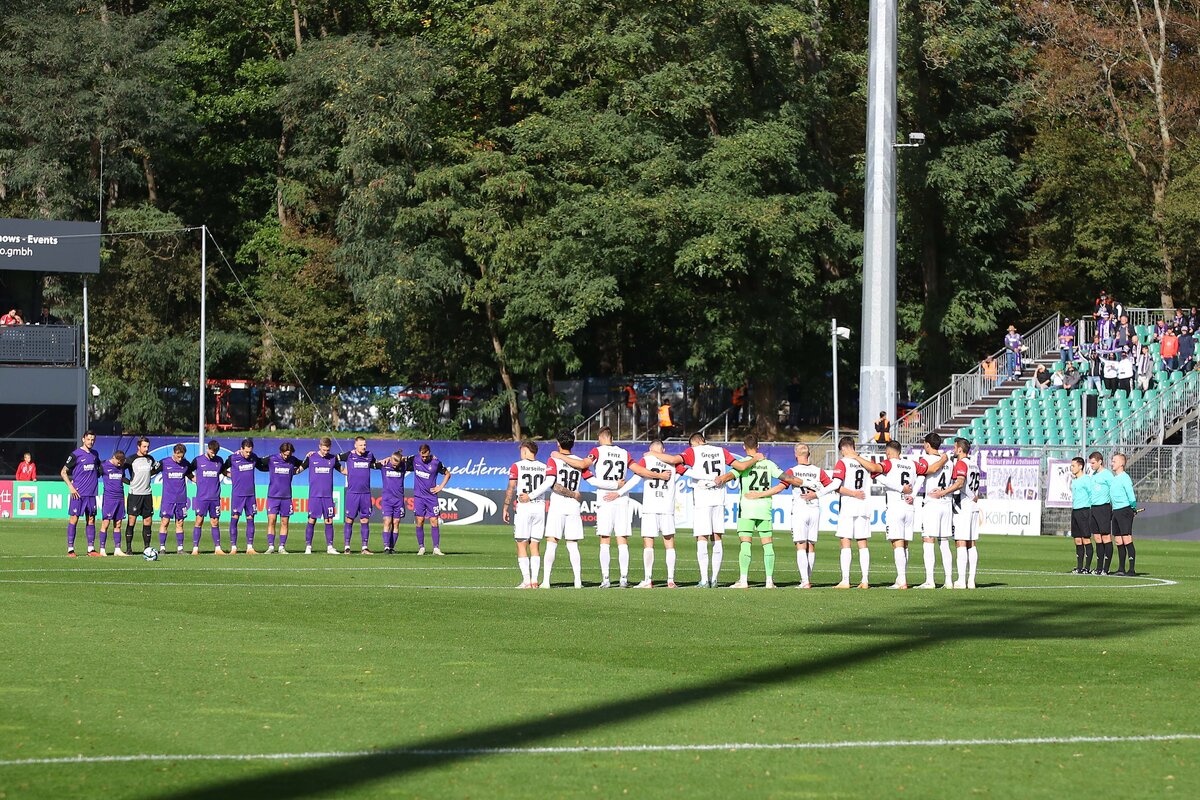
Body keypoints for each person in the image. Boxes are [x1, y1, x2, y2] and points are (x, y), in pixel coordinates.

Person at [559, 427, 665, 587]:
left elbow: (583, 464)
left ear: (600, 437)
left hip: (605, 497)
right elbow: (639, 471)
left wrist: (559, 456)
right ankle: (623, 578)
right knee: (622, 539)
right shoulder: (624, 453)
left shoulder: (597, 451)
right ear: (612, 438)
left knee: (605, 538)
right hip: (622, 498)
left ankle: (606, 579)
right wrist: (659, 475)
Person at [652, 433, 761, 587]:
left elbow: (673, 460)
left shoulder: (693, 451)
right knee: (717, 536)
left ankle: (704, 579)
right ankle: (714, 579)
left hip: (702, 498)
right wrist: (756, 458)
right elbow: (742, 467)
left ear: (694, 443)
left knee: (702, 537)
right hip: (719, 497)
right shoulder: (721, 451)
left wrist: (653, 453)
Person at [719, 435, 785, 589]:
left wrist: (720, 479)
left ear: (744, 447)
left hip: (747, 508)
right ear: (758, 446)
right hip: (765, 508)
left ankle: (743, 580)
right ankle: (769, 581)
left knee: (745, 542)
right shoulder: (768, 464)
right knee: (767, 544)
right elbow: (785, 478)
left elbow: (730, 476)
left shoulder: (743, 463)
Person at [541, 432, 596, 588]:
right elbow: (593, 481)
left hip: (558, 504)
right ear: (573, 443)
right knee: (572, 544)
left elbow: (553, 485)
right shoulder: (579, 461)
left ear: (558, 443)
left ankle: (546, 581)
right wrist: (615, 486)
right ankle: (578, 581)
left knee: (552, 542)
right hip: (573, 506)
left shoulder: (554, 459)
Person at [778, 444, 837, 589]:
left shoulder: (792, 471)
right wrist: (817, 494)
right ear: (809, 454)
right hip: (814, 510)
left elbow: (780, 486)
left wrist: (762, 494)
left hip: (800, 510)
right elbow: (831, 486)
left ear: (795, 455)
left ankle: (805, 581)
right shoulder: (818, 471)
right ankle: (807, 579)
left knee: (800, 545)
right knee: (811, 545)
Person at [628, 440, 683, 588]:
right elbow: (686, 472)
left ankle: (648, 580)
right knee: (669, 543)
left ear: (650, 449)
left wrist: (619, 492)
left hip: (650, 507)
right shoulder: (672, 462)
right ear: (663, 450)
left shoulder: (647, 460)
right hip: (667, 507)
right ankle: (670, 580)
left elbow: (636, 477)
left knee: (648, 543)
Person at [828, 436, 882, 588]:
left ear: (843, 449)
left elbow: (836, 486)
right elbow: (874, 470)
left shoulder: (843, 462)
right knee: (862, 543)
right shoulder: (864, 461)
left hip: (848, 506)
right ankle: (865, 580)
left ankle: (845, 580)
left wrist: (852, 493)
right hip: (863, 506)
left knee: (845, 541)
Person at [503, 441, 554, 588]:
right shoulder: (544, 467)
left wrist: (505, 506)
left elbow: (511, 488)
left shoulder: (517, 466)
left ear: (525, 450)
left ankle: (526, 581)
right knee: (535, 545)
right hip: (539, 507)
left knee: (521, 544)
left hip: (524, 507)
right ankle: (535, 581)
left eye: (521, 450)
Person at [876, 440, 922, 589]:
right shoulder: (912, 464)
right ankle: (901, 578)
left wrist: (900, 488)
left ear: (888, 452)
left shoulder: (888, 463)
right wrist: (913, 493)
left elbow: (876, 475)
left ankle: (902, 581)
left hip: (895, 506)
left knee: (897, 544)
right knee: (905, 544)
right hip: (909, 507)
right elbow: (923, 475)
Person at [916, 432, 953, 589]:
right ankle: (949, 581)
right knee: (944, 542)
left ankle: (930, 580)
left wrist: (912, 495)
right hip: (946, 503)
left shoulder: (926, 459)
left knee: (928, 540)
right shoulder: (949, 462)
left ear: (927, 445)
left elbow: (923, 475)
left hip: (932, 504)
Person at [945, 438, 981, 589]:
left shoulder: (961, 463)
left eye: (955, 447)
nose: (953, 450)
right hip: (973, 507)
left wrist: (943, 492)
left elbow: (960, 483)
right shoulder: (975, 464)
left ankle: (961, 580)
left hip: (963, 506)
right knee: (971, 543)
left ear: (960, 449)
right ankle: (971, 580)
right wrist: (974, 496)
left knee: (960, 542)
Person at [60, 431, 100, 557]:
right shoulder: (75, 454)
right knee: (74, 519)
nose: (91, 442)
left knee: (91, 519)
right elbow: (63, 472)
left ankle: (91, 549)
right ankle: (70, 549)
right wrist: (71, 487)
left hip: (91, 493)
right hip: (78, 493)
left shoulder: (95, 454)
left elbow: (98, 469)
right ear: (83, 439)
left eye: (93, 440)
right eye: (88, 439)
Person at [300, 438, 341, 555]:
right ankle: (308, 546)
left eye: (328, 450)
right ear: (319, 446)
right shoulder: (311, 457)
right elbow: (299, 470)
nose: (326, 452)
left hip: (327, 496)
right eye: (324, 450)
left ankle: (330, 547)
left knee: (329, 520)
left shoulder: (332, 458)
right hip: (314, 495)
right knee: (312, 519)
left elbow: (343, 470)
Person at [407, 444, 450, 555]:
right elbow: (399, 459)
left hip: (431, 497)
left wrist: (440, 487)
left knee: (434, 521)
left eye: (426, 456)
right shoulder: (414, 459)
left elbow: (447, 474)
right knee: (419, 521)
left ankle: (436, 548)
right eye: (422, 456)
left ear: (429, 453)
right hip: (419, 497)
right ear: (419, 453)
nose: (424, 458)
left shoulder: (436, 463)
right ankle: (421, 547)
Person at [261, 442, 303, 553]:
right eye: (285, 454)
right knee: (272, 520)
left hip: (286, 497)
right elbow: (257, 462)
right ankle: (271, 546)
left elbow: (305, 463)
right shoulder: (271, 459)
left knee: (284, 522)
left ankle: (281, 547)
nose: (286, 457)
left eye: (288, 455)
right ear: (281, 452)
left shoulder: (292, 460)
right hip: (273, 496)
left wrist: (310, 456)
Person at [223, 438, 260, 554]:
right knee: (235, 519)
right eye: (246, 451)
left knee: (250, 518)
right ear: (241, 449)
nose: (248, 454)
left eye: (250, 452)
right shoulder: (233, 458)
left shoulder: (254, 457)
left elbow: (263, 466)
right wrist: (231, 475)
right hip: (238, 494)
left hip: (250, 494)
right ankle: (233, 547)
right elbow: (221, 469)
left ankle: (250, 547)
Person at [340, 436, 376, 554]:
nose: (363, 447)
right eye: (361, 445)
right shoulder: (349, 455)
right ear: (355, 445)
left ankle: (364, 547)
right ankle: (347, 547)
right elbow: (332, 459)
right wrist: (343, 470)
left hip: (365, 494)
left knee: (365, 520)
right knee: (349, 519)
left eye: (364, 445)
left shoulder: (369, 455)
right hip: (352, 493)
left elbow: (376, 464)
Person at [188, 440, 225, 555]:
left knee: (215, 522)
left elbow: (224, 471)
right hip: (202, 497)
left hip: (215, 497)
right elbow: (188, 471)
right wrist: (195, 480)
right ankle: (195, 548)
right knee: (199, 520)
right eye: (212, 452)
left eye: (215, 452)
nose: (213, 454)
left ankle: (217, 548)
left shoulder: (219, 461)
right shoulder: (198, 460)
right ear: (207, 449)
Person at [123, 437, 159, 554]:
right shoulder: (131, 459)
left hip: (147, 494)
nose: (146, 449)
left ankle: (147, 548)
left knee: (148, 520)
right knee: (132, 520)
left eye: (148, 446)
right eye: (144, 446)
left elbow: (155, 469)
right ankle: (129, 549)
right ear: (138, 446)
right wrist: (129, 482)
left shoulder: (150, 459)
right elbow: (120, 472)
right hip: (135, 494)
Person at [157, 444, 191, 555]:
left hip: (181, 499)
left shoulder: (186, 464)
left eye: (182, 456)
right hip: (168, 499)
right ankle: (162, 548)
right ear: (174, 453)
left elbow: (192, 476)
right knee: (165, 522)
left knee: (180, 523)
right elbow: (151, 471)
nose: (180, 459)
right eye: (178, 456)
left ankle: (180, 548)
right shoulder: (164, 462)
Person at [376, 449, 409, 554]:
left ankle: (391, 547)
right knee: (387, 521)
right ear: (390, 459)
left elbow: (414, 459)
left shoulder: (403, 466)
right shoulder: (384, 465)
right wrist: (383, 460)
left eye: (396, 465)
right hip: (387, 499)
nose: (395, 466)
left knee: (396, 523)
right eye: (393, 464)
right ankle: (386, 546)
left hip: (399, 500)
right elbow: (370, 463)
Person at [1110, 454, 1138, 576]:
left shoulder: (1125, 478)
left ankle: (1131, 569)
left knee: (1127, 539)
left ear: (1121, 463)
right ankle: (1121, 568)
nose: (1112, 463)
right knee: (1118, 540)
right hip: (1115, 511)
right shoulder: (1114, 478)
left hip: (1124, 510)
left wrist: (1133, 507)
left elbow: (1130, 494)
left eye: (1114, 461)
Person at [98, 450, 129, 556]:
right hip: (109, 498)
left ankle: (117, 549)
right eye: (118, 462)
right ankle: (102, 549)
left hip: (120, 498)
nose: (119, 465)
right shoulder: (104, 466)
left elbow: (122, 478)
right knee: (106, 523)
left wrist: (131, 483)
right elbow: (94, 476)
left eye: (121, 463)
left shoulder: (121, 467)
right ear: (114, 458)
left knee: (118, 523)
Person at [1088, 451, 1115, 575]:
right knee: (1097, 538)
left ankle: (1106, 568)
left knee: (1106, 537)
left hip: (1103, 508)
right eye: (1090, 463)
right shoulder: (1093, 475)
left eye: (1093, 463)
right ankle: (1099, 568)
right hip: (1093, 508)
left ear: (1100, 461)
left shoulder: (1107, 475)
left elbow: (1113, 490)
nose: (1091, 465)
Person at [1068, 457, 1094, 573]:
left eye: (1073, 466)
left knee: (1086, 539)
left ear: (1080, 466)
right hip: (1075, 511)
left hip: (1084, 511)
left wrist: (1090, 510)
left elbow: (1091, 494)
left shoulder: (1086, 479)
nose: (1071, 468)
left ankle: (1087, 567)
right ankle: (1079, 567)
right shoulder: (1074, 480)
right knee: (1077, 540)